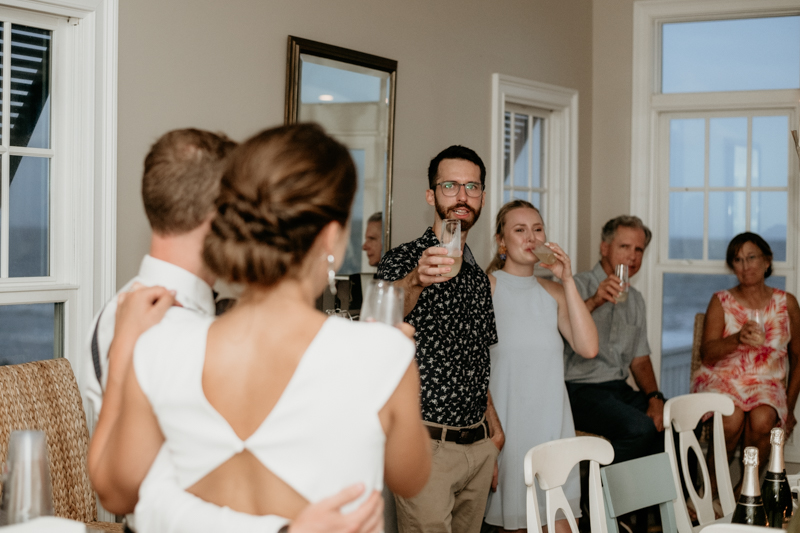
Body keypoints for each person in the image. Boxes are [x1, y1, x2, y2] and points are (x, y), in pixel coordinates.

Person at [88, 123, 431, 532]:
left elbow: (132, 494)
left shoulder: (157, 345)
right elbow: (411, 478)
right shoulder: (381, 355)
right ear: (332, 239)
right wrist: (396, 369)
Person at [377, 145, 503, 533]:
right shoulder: (402, 260)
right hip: (424, 445)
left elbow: (477, 360)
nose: (462, 196)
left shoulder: (479, 279)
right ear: (432, 195)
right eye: (451, 186)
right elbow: (379, 328)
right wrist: (416, 279)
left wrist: (493, 436)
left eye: (473, 187)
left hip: (477, 448)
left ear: (482, 197)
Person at [484, 200, 598, 533]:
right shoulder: (486, 288)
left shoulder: (554, 293)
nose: (530, 237)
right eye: (519, 230)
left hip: (552, 428)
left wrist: (568, 280)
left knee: (562, 524)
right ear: (502, 241)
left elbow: (589, 347)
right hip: (510, 428)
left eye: (537, 229)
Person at [693, 232, 800, 469]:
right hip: (723, 378)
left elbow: (798, 357)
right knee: (730, 418)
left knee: (763, 421)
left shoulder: (787, 303)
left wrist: (789, 409)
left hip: (767, 383)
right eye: (738, 260)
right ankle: (709, 488)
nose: (745, 266)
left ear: (767, 260)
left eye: (751, 257)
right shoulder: (720, 301)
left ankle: (745, 493)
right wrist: (736, 339)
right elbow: (707, 354)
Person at [563, 215, 664, 464]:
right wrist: (595, 301)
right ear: (604, 248)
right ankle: (596, 497)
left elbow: (640, 361)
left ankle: (659, 502)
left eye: (639, 250)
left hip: (618, 390)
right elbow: (556, 335)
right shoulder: (574, 286)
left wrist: (655, 398)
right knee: (640, 428)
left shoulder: (636, 299)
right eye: (624, 247)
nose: (633, 256)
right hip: (579, 389)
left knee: (679, 421)